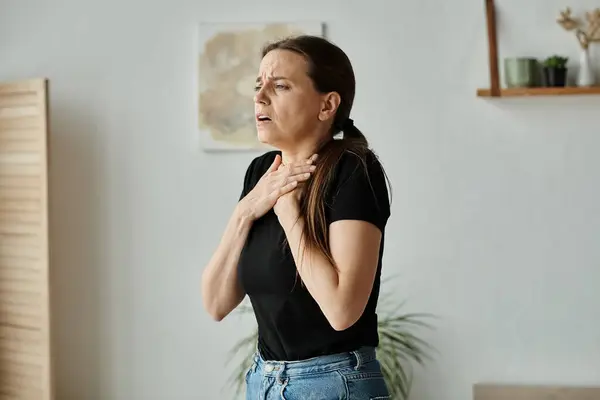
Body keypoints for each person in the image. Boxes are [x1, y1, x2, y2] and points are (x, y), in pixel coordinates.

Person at [201, 34, 392, 399]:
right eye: (259, 85)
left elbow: (342, 310)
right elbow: (215, 303)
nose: (259, 97)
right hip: (264, 382)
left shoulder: (354, 170)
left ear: (327, 105)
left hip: (335, 384)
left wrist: (290, 215)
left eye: (280, 86)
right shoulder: (261, 174)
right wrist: (245, 211)